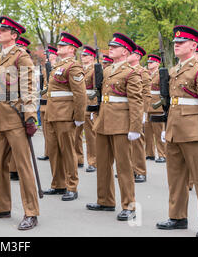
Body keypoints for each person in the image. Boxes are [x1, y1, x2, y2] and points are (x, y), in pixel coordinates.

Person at [0, 16, 39, 231]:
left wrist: (30, 116)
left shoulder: (21, 56)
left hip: (15, 117)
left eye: (4, 30)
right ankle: (1, 206)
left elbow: (29, 87)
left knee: (23, 167)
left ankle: (31, 212)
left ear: (14, 35)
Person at [156, 25, 198, 237]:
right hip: (174, 131)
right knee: (175, 178)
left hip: (195, 132)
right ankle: (177, 217)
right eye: (175, 43)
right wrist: (166, 126)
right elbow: (171, 104)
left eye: (181, 42)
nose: (176, 45)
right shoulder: (174, 70)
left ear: (193, 45)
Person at [87, 32, 143, 222]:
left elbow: (136, 101)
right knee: (103, 163)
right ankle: (105, 200)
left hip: (121, 123)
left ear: (125, 51)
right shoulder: (108, 70)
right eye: (110, 46)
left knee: (124, 166)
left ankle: (129, 205)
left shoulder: (131, 72)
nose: (110, 49)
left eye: (115, 47)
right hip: (104, 121)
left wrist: (135, 127)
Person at [43, 32, 87, 201]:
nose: (58, 47)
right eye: (59, 45)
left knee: (68, 151)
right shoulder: (57, 66)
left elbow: (80, 94)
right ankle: (58, 184)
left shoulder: (74, 66)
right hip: (52, 113)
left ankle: (72, 186)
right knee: (53, 151)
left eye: (62, 46)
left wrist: (78, 116)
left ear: (71, 49)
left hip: (65, 115)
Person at [127, 45, 151, 183]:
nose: (128, 55)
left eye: (132, 53)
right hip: (127, 110)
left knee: (137, 141)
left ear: (137, 56)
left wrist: (143, 113)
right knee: (128, 141)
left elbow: (146, 94)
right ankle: (130, 168)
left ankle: (140, 171)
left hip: (138, 110)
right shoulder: (126, 71)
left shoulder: (143, 72)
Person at [79, 45, 98, 173]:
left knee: (91, 136)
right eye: (82, 55)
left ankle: (93, 161)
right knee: (78, 135)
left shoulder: (94, 70)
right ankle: (78, 159)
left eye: (85, 55)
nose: (82, 57)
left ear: (92, 57)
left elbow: (97, 90)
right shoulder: (81, 69)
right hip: (81, 104)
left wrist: (94, 108)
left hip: (90, 104)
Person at [37, 45, 58, 161]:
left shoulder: (55, 68)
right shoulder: (45, 68)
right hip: (44, 102)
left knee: (52, 131)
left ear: (54, 55)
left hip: (52, 103)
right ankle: (48, 152)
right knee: (46, 131)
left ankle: (54, 152)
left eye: (48, 55)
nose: (46, 58)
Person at [145, 54, 166, 163]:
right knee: (147, 132)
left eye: (151, 62)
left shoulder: (160, 74)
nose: (149, 64)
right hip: (147, 106)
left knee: (158, 133)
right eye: (148, 62)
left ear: (157, 63)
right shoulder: (147, 74)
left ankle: (162, 154)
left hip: (157, 107)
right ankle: (149, 153)